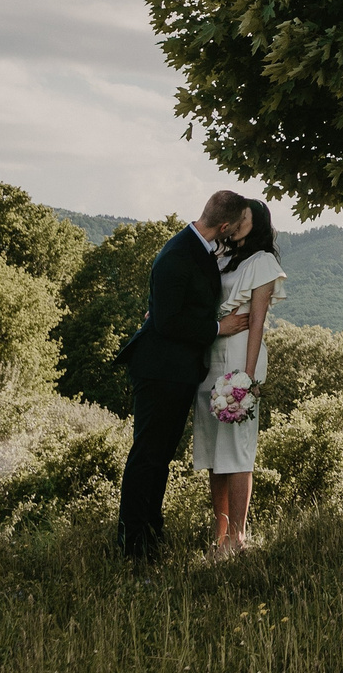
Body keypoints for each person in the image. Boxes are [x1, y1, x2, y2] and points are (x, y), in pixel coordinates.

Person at [115, 191, 254, 560]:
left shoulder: (199, 247)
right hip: (160, 370)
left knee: (158, 457)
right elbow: (167, 320)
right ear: (223, 226)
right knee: (147, 456)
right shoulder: (177, 254)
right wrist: (216, 328)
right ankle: (131, 544)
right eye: (236, 228)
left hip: (176, 372)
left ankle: (150, 534)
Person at [195, 196, 285, 557]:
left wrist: (247, 379)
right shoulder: (219, 256)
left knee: (237, 453)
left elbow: (258, 323)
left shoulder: (263, 263)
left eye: (243, 216)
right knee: (215, 454)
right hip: (210, 357)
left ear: (256, 222)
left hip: (238, 362)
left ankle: (237, 539)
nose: (236, 221)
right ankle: (220, 535)